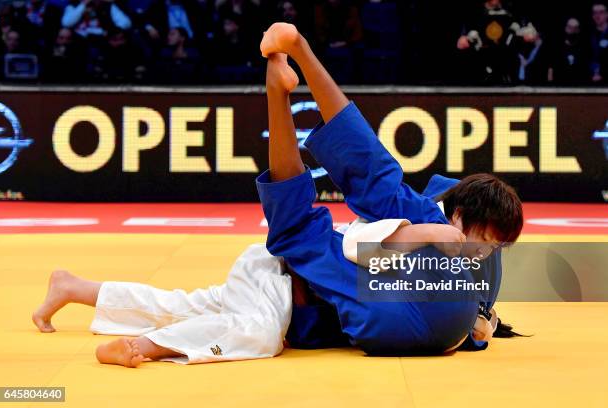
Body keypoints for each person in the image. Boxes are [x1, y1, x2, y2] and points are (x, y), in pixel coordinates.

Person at [32, 23, 523, 367]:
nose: (484, 252)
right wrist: (422, 234)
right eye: (481, 239)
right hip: (290, 280)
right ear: (456, 213)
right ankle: (149, 346)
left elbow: (470, 322)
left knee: (193, 307)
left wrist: (485, 327)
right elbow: (360, 201)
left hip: (293, 283)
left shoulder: (476, 264)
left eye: (495, 247)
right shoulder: (427, 225)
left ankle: (75, 288)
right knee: (257, 332)